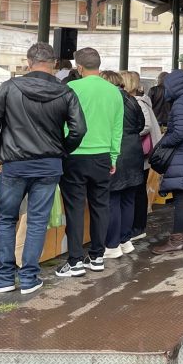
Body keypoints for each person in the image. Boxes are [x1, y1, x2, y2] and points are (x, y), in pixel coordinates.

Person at [0, 43, 86, 295]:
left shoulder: (9, 87)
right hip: (49, 165)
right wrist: (62, 149)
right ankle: (29, 277)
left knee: (6, 219)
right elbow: (79, 129)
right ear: (54, 63)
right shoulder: (65, 92)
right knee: (37, 220)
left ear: (29, 62)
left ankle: (4, 277)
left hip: (14, 164)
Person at [56, 48, 123, 278]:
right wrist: (113, 156)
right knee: (100, 206)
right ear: (99, 65)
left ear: (79, 67)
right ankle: (97, 256)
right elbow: (117, 129)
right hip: (103, 155)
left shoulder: (71, 88)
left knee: (74, 208)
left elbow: (62, 123)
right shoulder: (114, 92)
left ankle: (74, 261)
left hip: (74, 155)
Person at [151, 70, 183, 253]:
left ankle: (176, 240)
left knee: (181, 197)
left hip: (180, 155)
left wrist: (164, 142)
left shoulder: (180, 104)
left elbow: (179, 132)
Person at [103, 70, 146, 259]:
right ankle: (125, 240)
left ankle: (112, 245)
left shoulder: (108, 101)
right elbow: (140, 125)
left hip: (116, 153)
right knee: (128, 199)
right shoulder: (132, 100)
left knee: (113, 199)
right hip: (134, 152)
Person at [131, 72, 162, 241]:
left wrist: (127, 134)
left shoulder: (138, 102)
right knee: (138, 189)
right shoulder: (141, 101)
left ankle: (138, 226)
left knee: (137, 190)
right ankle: (138, 225)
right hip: (140, 152)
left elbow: (146, 126)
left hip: (139, 152)